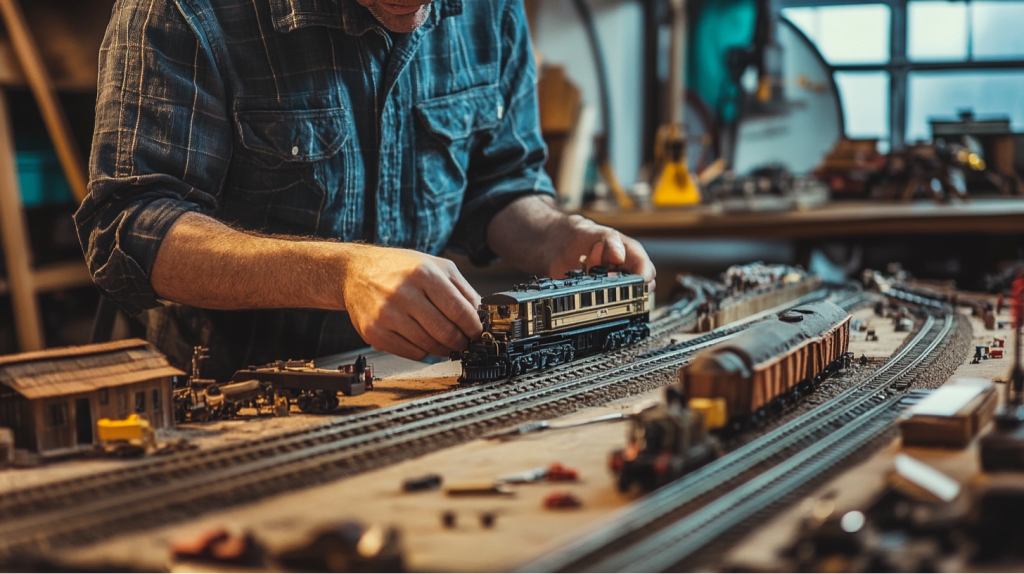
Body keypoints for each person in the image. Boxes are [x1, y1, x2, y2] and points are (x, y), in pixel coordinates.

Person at [75, 0, 655, 379]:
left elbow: (497, 186)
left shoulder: (491, 9)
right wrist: (341, 275)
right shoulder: (182, 11)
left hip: (426, 385)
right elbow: (129, 230)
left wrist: (561, 236)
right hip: (238, 392)